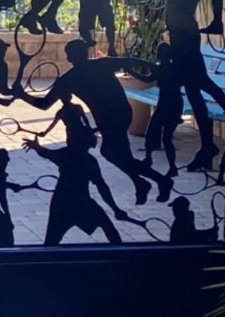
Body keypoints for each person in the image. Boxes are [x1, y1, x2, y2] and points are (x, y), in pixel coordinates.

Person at [14, 40, 173, 205]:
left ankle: (157, 181)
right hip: (120, 114)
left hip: (110, 119)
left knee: (116, 154)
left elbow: (44, 104)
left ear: (69, 58)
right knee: (116, 154)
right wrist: (154, 67)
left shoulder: (70, 78)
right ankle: (143, 183)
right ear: (85, 53)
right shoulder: (102, 64)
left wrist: (22, 95)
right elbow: (130, 60)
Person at [140, 0, 225, 171]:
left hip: (184, 36)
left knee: (199, 84)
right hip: (184, 34)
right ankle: (209, 143)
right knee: (196, 88)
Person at [22, 106, 127, 246]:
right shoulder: (90, 161)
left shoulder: (65, 154)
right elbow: (102, 187)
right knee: (109, 228)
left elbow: (46, 153)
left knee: (51, 243)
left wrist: (36, 146)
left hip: (62, 204)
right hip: (82, 202)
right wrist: (115, 209)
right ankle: (121, 257)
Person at [141, 43, 184, 177]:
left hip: (166, 104)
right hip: (175, 103)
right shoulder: (175, 68)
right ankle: (172, 166)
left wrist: (131, 71)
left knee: (151, 133)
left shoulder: (161, 69)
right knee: (166, 137)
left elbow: (147, 79)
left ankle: (149, 159)